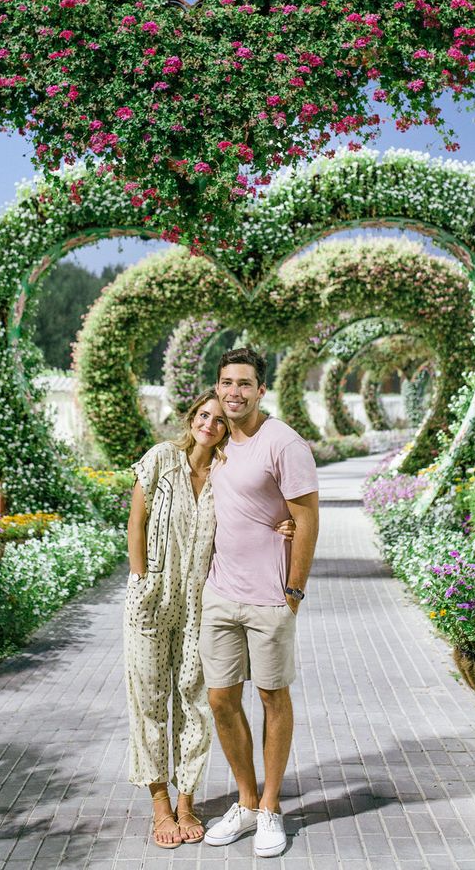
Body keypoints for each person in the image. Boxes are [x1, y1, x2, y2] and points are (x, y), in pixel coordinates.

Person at [124, 388, 295, 850]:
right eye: (204, 415)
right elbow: (135, 522)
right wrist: (139, 580)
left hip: (203, 602)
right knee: (149, 698)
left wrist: (286, 523)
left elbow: (261, 509)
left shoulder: (226, 471)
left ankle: (186, 801)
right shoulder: (161, 459)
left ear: (227, 429)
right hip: (153, 598)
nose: (210, 424)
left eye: (219, 420)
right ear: (191, 418)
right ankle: (159, 803)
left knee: (195, 699)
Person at [200, 347, 319, 858]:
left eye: (244, 383)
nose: (234, 392)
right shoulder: (217, 441)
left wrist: (293, 591)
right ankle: (245, 800)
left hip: (271, 599)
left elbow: (308, 519)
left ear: (261, 390)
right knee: (221, 699)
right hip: (220, 596)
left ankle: (270, 808)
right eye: (226, 382)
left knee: (272, 697)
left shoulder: (284, 442)